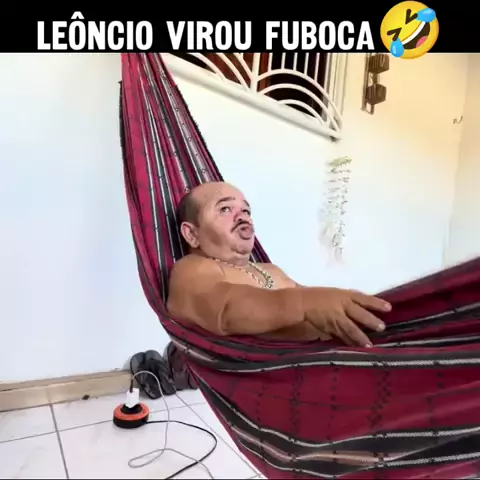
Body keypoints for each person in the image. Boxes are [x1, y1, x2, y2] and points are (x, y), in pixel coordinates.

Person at [167, 181, 391, 345]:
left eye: (246, 210)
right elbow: (226, 309)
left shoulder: (271, 271)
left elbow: (321, 308)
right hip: (272, 377)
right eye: (225, 209)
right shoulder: (193, 268)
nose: (242, 216)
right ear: (192, 234)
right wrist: (305, 302)